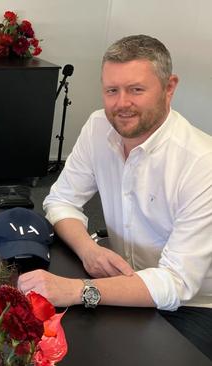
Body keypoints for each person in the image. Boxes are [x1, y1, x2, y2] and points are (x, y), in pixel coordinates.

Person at [17, 35, 212, 359]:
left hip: (193, 306)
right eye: (112, 90)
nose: (121, 104)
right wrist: (88, 249)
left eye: (136, 90)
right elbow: (61, 200)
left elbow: (176, 283)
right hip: (123, 282)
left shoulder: (201, 163)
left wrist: (79, 290)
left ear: (169, 87)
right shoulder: (98, 127)